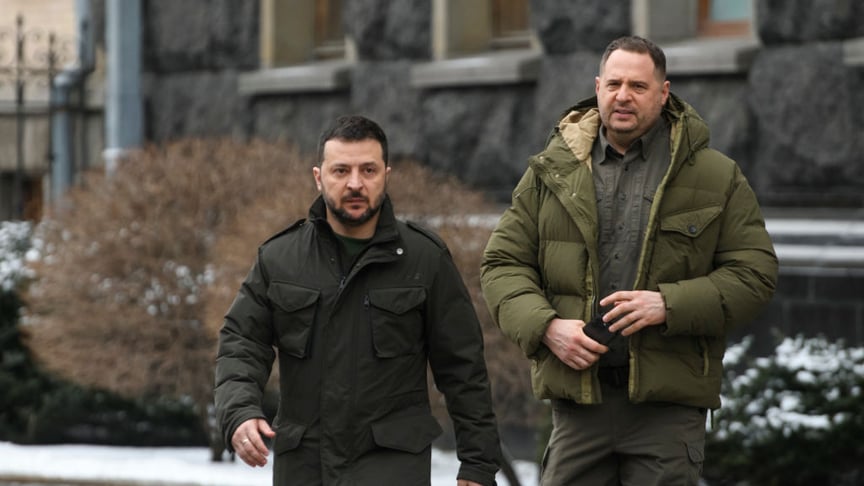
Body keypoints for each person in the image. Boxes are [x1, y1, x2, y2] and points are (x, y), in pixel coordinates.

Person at [480, 36, 778, 485]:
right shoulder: (552, 172)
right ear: (597, 87)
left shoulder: (715, 175)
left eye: (638, 86)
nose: (623, 96)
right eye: (614, 84)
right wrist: (547, 327)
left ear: (664, 93)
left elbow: (755, 273)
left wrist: (668, 304)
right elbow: (502, 263)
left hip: (667, 412)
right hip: (580, 404)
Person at [214, 115, 501, 485]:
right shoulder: (280, 259)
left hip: (392, 466)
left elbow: (463, 365)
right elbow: (241, 341)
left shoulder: (424, 259)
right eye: (341, 171)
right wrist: (239, 410)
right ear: (318, 177)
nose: (355, 183)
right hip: (305, 467)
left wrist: (478, 464)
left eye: (368, 170)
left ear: (386, 174)